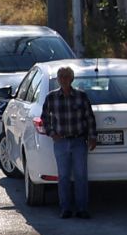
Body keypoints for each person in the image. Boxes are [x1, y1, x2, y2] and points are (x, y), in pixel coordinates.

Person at [40, 66, 97, 219]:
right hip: (61, 143)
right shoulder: (51, 97)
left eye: (66, 76)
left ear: (72, 79)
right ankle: (65, 208)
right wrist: (52, 133)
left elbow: (90, 118)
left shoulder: (81, 96)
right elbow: (44, 118)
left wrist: (92, 137)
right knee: (63, 176)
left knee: (80, 176)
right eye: (61, 76)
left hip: (79, 141)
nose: (63, 79)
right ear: (58, 79)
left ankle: (82, 209)